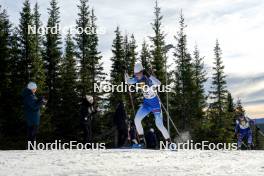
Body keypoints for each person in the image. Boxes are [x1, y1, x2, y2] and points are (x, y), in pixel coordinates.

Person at [125, 62, 171, 148]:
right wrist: (125, 73)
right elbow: (128, 81)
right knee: (137, 119)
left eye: (138, 73)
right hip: (146, 104)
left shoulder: (148, 78)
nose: (136, 75)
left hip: (155, 104)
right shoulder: (137, 78)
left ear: (142, 72)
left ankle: (169, 142)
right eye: (135, 74)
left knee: (159, 124)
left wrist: (149, 75)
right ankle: (142, 142)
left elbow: (159, 83)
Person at [21, 82, 46, 146]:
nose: (36, 89)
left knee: (32, 133)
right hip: (32, 118)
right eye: (35, 88)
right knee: (32, 133)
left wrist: (40, 100)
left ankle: (31, 147)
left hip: (33, 117)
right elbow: (34, 107)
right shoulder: (29, 96)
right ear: (32, 89)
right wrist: (41, 102)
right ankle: (31, 147)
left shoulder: (31, 95)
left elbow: (34, 103)